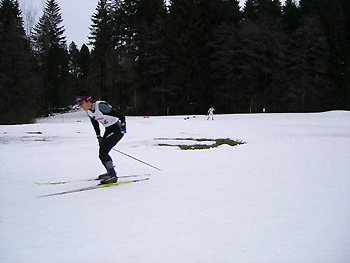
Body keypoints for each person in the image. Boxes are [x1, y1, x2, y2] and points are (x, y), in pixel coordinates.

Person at [76, 91, 126, 184]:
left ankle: (112, 175)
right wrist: (98, 136)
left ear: (88, 101)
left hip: (117, 129)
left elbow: (121, 116)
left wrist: (123, 125)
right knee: (101, 153)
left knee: (103, 151)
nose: (80, 106)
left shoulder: (100, 106)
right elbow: (95, 123)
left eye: (81, 103)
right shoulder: (89, 111)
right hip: (109, 129)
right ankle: (109, 172)